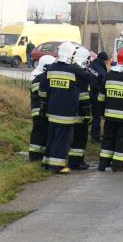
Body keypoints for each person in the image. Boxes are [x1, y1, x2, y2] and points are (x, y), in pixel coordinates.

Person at [40, 42, 83, 174]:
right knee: (62, 140)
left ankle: (47, 162)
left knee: (52, 137)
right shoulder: (74, 69)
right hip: (67, 113)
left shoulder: (51, 68)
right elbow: (88, 78)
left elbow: (42, 90)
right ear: (71, 55)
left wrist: (46, 102)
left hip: (52, 111)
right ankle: (57, 165)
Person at [68, 47, 93, 170]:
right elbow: (84, 96)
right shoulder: (83, 74)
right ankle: (77, 162)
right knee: (80, 138)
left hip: (69, 111)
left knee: (72, 138)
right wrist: (88, 113)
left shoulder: (70, 70)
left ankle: (72, 160)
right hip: (81, 112)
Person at [27, 55, 56, 161]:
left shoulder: (37, 79)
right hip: (42, 111)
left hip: (38, 111)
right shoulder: (43, 79)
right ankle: (36, 157)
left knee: (39, 134)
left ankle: (36, 156)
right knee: (40, 134)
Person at [88, 51, 108, 142]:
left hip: (86, 93)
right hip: (96, 94)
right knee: (96, 117)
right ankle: (95, 137)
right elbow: (103, 83)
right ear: (103, 60)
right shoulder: (101, 70)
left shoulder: (91, 65)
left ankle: (91, 133)